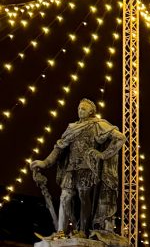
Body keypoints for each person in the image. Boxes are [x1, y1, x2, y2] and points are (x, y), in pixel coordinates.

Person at [30, 98, 124, 237]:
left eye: (84, 109)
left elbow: (120, 137)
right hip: (70, 167)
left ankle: (82, 231)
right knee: (64, 197)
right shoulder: (71, 127)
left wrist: (104, 155)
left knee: (84, 197)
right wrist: (44, 162)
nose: (80, 111)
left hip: (87, 167)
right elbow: (59, 148)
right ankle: (61, 232)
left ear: (91, 111)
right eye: (79, 108)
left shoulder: (98, 124)